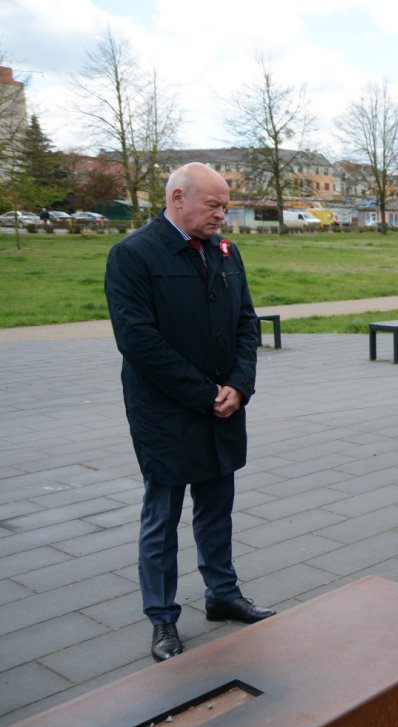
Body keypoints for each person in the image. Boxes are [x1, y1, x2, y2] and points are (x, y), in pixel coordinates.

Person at [104, 163, 274, 663]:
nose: (223, 214)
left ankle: (222, 594)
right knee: (163, 516)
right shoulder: (133, 255)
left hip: (223, 405)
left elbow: (246, 322)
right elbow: (138, 341)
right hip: (166, 411)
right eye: (214, 205)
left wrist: (240, 385)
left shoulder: (226, 251)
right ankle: (162, 618)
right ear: (178, 198)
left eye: (225, 205)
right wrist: (205, 393)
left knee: (217, 505)